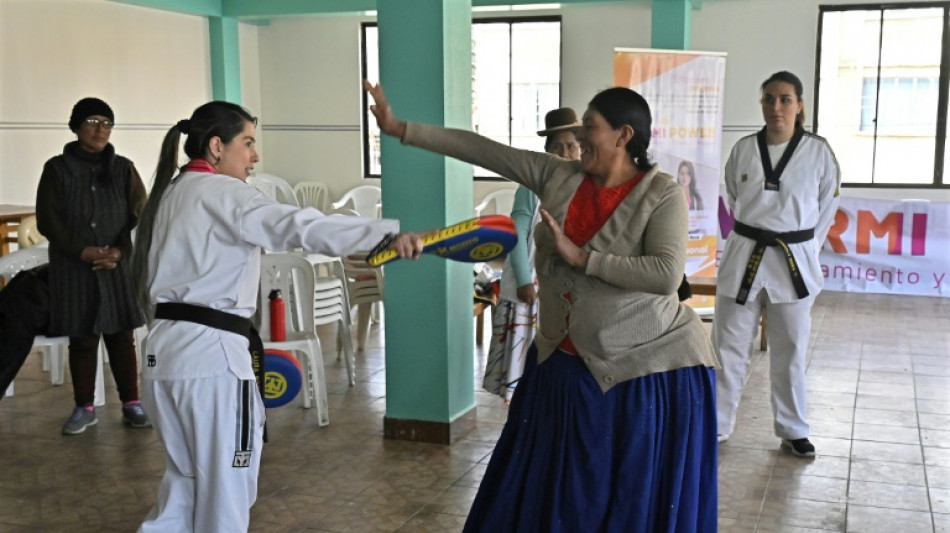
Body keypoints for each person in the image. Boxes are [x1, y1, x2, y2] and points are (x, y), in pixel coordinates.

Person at [366, 80, 719, 532]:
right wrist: (401, 129)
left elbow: (665, 274)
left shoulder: (662, 192)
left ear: (623, 136)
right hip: (560, 358)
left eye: (590, 127)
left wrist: (581, 257)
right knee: (548, 487)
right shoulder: (557, 175)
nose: (579, 140)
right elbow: (483, 150)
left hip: (640, 366)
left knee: (620, 494)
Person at [131, 101, 425, 533]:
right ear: (216, 146)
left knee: (183, 486)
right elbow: (298, 225)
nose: (255, 156)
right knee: (226, 496)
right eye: (247, 143)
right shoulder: (225, 193)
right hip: (212, 363)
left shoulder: (168, 196)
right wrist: (384, 234)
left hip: (163, 360)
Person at [714, 71, 840, 458]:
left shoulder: (819, 152)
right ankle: (716, 426)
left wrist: (803, 248)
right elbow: (733, 198)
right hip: (745, 255)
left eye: (785, 99)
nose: (776, 107)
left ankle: (792, 428)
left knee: (791, 348)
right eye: (769, 99)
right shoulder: (744, 149)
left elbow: (826, 209)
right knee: (728, 345)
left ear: (800, 105)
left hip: (793, 259)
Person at [36, 97, 150, 435]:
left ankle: (132, 403)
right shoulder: (56, 169)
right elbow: (49, 220)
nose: (101, 129)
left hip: (117, 267)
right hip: (74, 268)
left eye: (107, 122)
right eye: (92, 121)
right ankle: (84, 407)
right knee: (82, 338)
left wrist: (118, 251)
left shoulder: (123, 168)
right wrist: (82, 251)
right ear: (75, 126)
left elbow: (139, 217)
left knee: (121, 336)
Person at [482, 107, 582, 402]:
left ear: (581, 149)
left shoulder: (586, 185)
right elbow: (516, 232)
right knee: (525, 369)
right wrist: (525, 281)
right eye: (558, 147)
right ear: (547, 151)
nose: (565, 153)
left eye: (572, 146)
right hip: (532, 289)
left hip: (567, 290)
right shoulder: (532, 187)